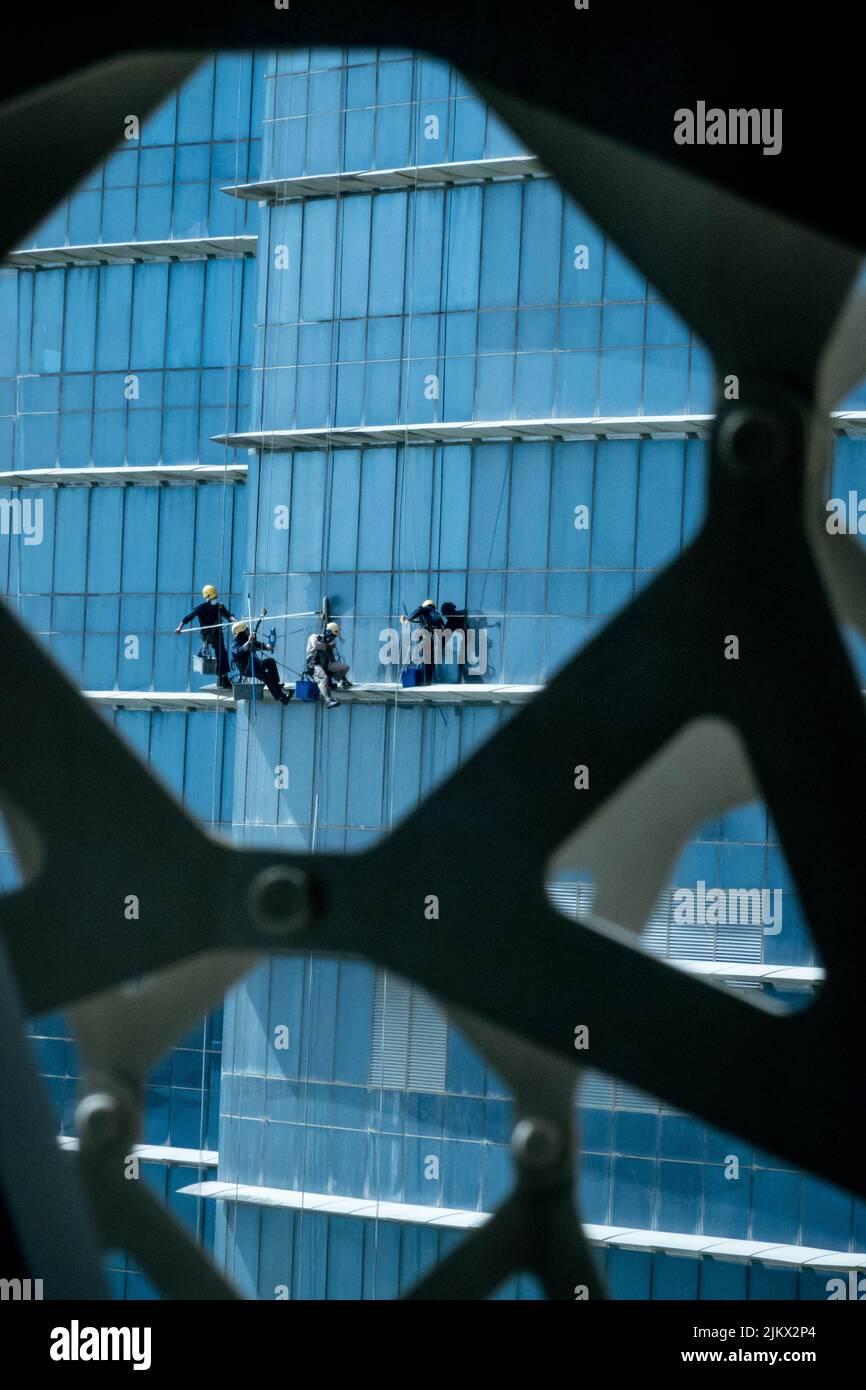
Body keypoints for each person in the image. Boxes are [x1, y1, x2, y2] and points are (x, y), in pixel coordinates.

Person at [176, 585, 235, 690]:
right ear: (207, 598)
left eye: (215, 597)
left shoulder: (219, 607)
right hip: (207, 635)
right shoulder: (201, 608)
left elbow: (228, 616)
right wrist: (179, 628)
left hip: (217, 633)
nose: (214, 600)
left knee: (222, 653)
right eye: (212, 598)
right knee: (215, 653)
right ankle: (222, 676)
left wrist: (236, 622)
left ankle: (222, 677)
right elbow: (187, 618)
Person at [230, 620, 292, 704]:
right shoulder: (235, 644)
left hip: (255, 664)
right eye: (246, 630)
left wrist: (267, 646)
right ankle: (281, 698)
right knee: (266, 677)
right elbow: (238, 651)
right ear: (241, 632)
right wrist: (249, 642)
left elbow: (257, 644)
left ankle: (276, 684)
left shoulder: (246, 640)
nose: (248, 631)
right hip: (247, 668)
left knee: (270, 662)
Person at [305, 621, 349, 708]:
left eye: (334, 637)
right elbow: (315, 646)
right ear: (327, 632)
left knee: (345, 667)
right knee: (323, 677)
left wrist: (343, 678)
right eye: (331, 636)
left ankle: (333, 681)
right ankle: (327, 700)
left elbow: (332, 659)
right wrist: (327, 646)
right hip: (314, 664)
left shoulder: (327, 644)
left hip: (326, 664)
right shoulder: (314, 637)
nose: (332, 639)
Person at [400, 598, 444, 684]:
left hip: (427, 635)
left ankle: (424, 680)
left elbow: (419, 610)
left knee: (426, 658)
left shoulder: (427, 608)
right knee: (430, 660)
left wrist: (409, 618)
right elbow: (443, 627)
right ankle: (428, 680)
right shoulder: (437, 614)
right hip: (434, 638)